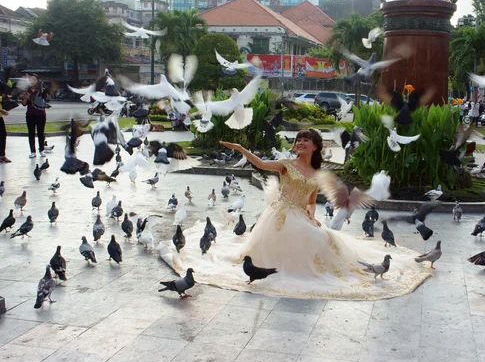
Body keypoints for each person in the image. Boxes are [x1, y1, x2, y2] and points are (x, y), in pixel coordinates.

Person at [158, 129, 432, 300]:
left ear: (315, 146)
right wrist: (241, 150)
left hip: (301, 215)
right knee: (297, 239)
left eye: (306, 140)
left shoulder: (316, 174)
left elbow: (312, 201)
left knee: (319, 234)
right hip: (279, 214)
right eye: (299, 139)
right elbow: (262, 164)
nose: (301, 142)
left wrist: (313, 215)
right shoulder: (286, 164)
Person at [21, 74, 48, 158]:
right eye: (31, 80)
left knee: (41, 132)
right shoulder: (27, 91)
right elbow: (24, 104)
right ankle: (33, 151)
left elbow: (44, 101)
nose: (32, 81)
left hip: (40, 114)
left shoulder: (42, 91)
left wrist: (32, 97)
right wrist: (25, 98)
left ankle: (42, 150)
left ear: (37, 81)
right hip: (30, 115)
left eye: (34, 80)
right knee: (31, 133)